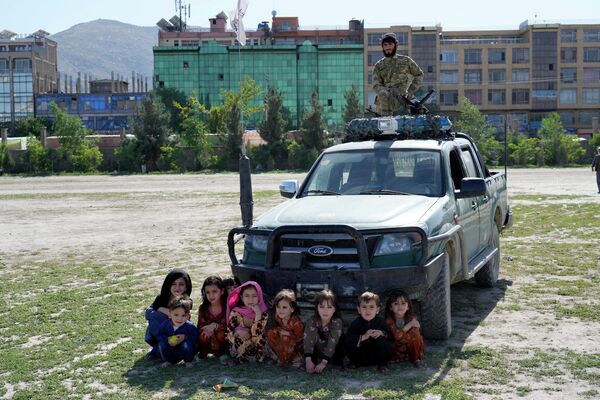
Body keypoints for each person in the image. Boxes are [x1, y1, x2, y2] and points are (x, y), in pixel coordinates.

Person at [144, 269, 192, 360]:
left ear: (186, 287)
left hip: (178, 333)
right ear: (168, 285)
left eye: (181, 284)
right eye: (174, 284)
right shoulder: (162, 298)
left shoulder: (186, 301)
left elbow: (184, 317)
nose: (177, 287)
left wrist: (172, 314)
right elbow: (148, 313)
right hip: (159, 333)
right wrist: (166, 312)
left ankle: (158, 350)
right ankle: (160, 346)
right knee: (154, 315)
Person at [373, 32, 423, 116]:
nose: (387, 47)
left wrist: (410, 91)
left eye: (390, 44)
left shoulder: (405, 61)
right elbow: (376, 85)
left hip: (402, 101)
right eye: (385, 45)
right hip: (384, 103)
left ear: (396, 45)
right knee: (384, 126)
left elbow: (419, 74)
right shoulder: (379, 65)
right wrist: (388, 91)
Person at [345, 291, 393, 372]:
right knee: (352, 341)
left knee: (382, 340)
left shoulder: (381, 322)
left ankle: (382, 365)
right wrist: (363, 337)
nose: (368, 310)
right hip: (361, 356)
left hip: (376, 356)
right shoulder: (356, 323)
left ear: (377, 310)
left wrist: (382, 333)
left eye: (371, 307)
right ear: (359, 310)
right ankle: (354, 363)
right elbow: (348, 339)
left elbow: (391, 337)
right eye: (364, 307)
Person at [226, 281, 269, 363]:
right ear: (242, 298)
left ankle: (260, 357)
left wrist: (258, 314)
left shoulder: (263, 313)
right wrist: (237, 331)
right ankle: (238, 358)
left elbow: (257, 334)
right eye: (247, 296)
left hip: (257, 344)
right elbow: (229, 333)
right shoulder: (235, 312)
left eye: (254, 296)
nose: (250, 299)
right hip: (241, 344)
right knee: (240, 337)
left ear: (259, 297)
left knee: (261, 337)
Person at [303, 289, 344, 373]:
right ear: (317, 308)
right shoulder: (312, 321)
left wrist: (323, 363)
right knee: (311, 336)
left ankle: (337, 364)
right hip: (318, 349)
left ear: (334, 309)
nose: (325, 311)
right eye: (322, 307)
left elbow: (333, 342)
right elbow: (308, 340)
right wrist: (308, 360)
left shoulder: (337, 322)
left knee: (342, 339)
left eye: (329, 307)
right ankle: (312, 363)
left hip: (331, 351)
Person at [385, 290, 424, 367]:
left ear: (408, 306)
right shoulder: (389, 320)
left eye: (403, 303)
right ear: (390, 307)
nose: (400, 306)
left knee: (415, 332)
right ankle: (396, 358)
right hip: (396, 349)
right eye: (396, 304)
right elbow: (396, 336)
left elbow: (416, 336)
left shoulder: (411, 318)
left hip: (409, 347)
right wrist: (408, 326)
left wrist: (412, 329)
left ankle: (415, 359)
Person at [157, 295, 199, 368]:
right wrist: (167, 340)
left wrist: (185, 337)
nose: (179, 319)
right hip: (170, 349)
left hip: (183, 350)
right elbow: (159, 335)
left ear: (188, 316)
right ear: (169, 314)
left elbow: (196, 337)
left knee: (186, 344)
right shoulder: (165, 325)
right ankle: (168, 360)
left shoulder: (190, 326)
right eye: (176, 315)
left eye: (183, 315)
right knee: (161, 345)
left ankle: (188, 361)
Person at [266, 289, 304, 367]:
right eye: (278, 307)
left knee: (285, 338)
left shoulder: (296, 323)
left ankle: (290, 359)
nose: (281, 310)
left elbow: (300, 339)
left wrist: (289, 333)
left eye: (284, 307)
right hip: (284, 344)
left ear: (292, 309)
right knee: (271, 333)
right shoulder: (278, 317)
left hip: (296, 347)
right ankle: (280, 357)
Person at [197, 276, 228, 362]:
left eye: (214, 291)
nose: (211, 295)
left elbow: (228, 324)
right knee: (203, 333)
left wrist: (215, 326)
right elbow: (200, 325)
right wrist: (208, 328)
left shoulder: (227, 307)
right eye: (208, 292)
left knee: (220, 333)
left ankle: (223, 353)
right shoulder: (203, 308)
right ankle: (203, 353)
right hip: (208, 337)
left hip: (222, 338)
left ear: (222, 291)